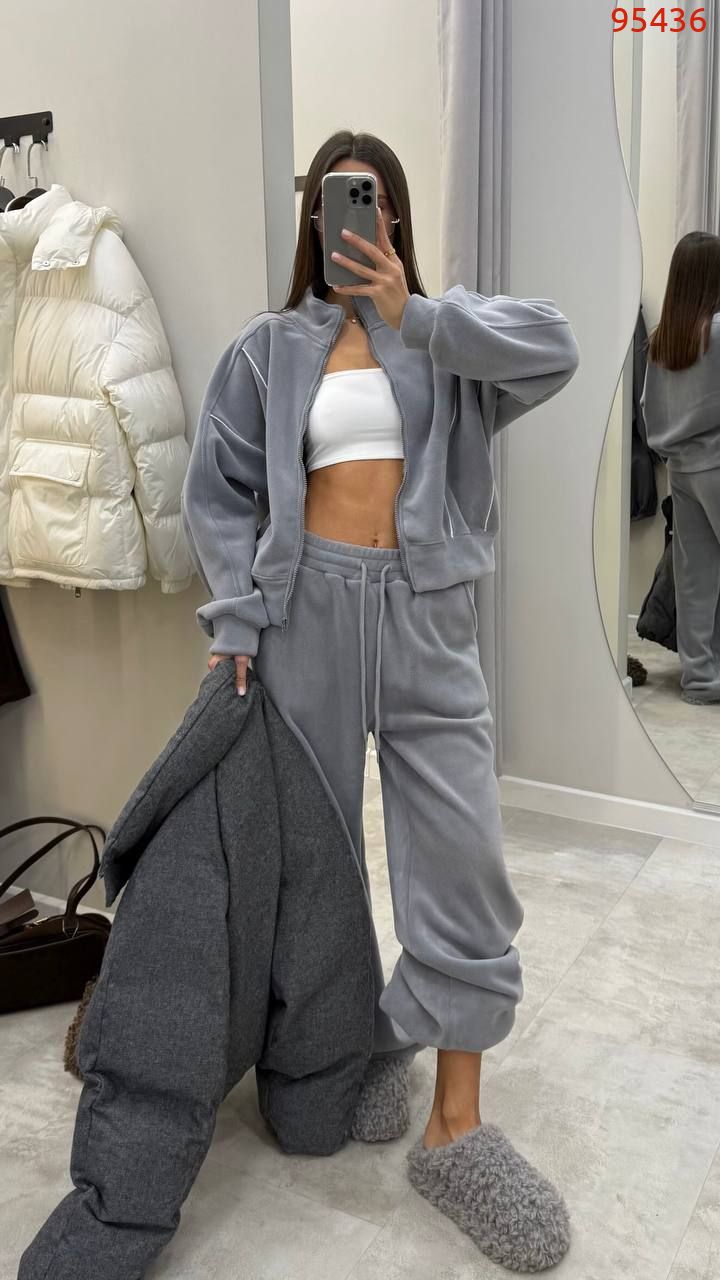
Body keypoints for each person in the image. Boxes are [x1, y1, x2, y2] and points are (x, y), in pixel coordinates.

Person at [181, 130, 580, 1272]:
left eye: (377, 204)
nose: (360, 222)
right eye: (338, 204)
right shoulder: (268, 350)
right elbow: (221, 494)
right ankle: (353, 1039)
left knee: (461, 852)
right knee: (318, 855)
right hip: (305, 612)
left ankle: (457, 1125)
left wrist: (420, 314)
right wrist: (237, 622)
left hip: (426, 612)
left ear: (396, 219)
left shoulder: (443, 335)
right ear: (314, 220)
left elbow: (554, 348)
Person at [641, 231, 720, 705]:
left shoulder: (663, 341)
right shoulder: (718, 331)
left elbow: (648, 408)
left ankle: (700, 682)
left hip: (682, 471)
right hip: (718, 462)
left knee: (695, 579)